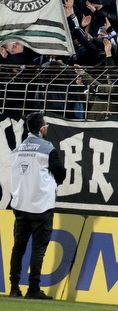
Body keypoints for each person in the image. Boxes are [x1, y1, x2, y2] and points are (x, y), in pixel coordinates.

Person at [8, 112, 66, 299]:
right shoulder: (48, 149)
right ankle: (33, 288)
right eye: (46, 126)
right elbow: (60, 174)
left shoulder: (17, 150)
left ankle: (14, 287)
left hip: (20, 205)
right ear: (42, 129)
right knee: (38, 249)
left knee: (18, 247)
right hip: (41, 206)